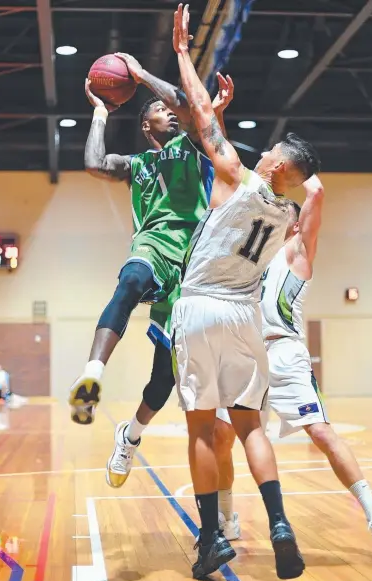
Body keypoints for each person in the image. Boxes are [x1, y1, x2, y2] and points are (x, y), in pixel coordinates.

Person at [170, 4, 321, 579]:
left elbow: (202, 119)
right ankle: (280, 523)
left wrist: (185, 54)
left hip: (201, 307)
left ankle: (210, 539)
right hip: (244, 317)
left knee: (203, 428)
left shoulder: (241, 177)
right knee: (251, 423)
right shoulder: (284, 212)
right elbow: (228, 173)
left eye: (272, 152)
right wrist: (223, 126)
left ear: (277, 161)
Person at [68, 51, 233, 484]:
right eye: (159, 112)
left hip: (192, 267)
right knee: (130, 281)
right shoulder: (136, 165)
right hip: (152, 246)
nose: (169, 115)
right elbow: (93, 164)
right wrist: (100, 114)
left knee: (164, 380)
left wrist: (140, 76)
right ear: (145, 125)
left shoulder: (191, 145)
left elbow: (186, 103)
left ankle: (130, 437)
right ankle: (91, 376)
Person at [213, 179, 372, 550]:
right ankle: (226, 517)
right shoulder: (254, 257)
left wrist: (300, 173)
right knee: (221, 437)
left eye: (284, 209)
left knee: (321, 433)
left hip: (285, 355)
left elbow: (315, 196)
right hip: (245, 355)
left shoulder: (296, 250)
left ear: (296, 223)